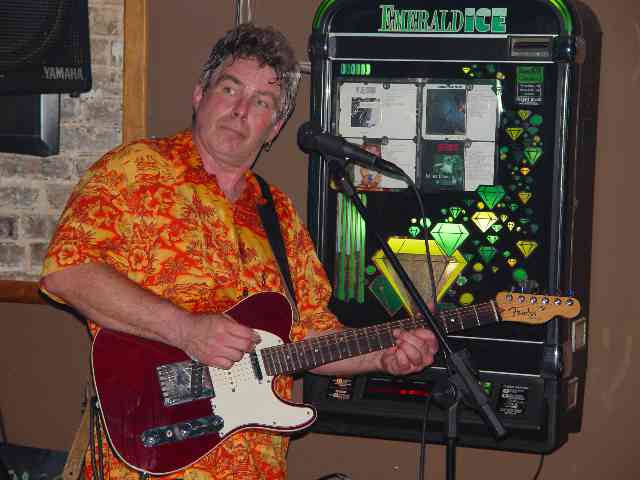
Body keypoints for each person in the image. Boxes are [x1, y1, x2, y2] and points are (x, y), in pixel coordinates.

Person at [40, 24, 438, 480]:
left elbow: (309, 335)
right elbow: (67, 272)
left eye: (262, 102)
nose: (241, 110)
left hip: (256, 467)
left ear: (275, 128)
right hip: (152, 461)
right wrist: (186, 329)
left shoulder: (278, 213)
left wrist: (383, 355)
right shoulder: (135, 171)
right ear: (199, 95)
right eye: (230, 89)